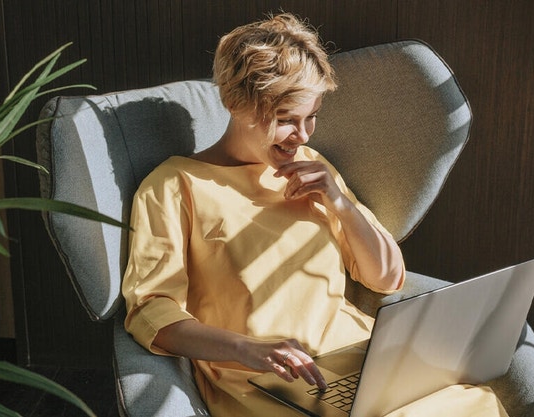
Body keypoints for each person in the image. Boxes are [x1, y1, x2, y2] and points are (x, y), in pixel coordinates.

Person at [122, 13, 506, 417]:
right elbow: (151, 310)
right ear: (237, 104)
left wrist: (338, 201)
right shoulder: (172, 185)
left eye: (312, 116)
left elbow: (386, 278)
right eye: (287, 120)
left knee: (474, 404)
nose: (303, 135)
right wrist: (247, 349)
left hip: (359, 359)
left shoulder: (312, 165)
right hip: (263, 381)